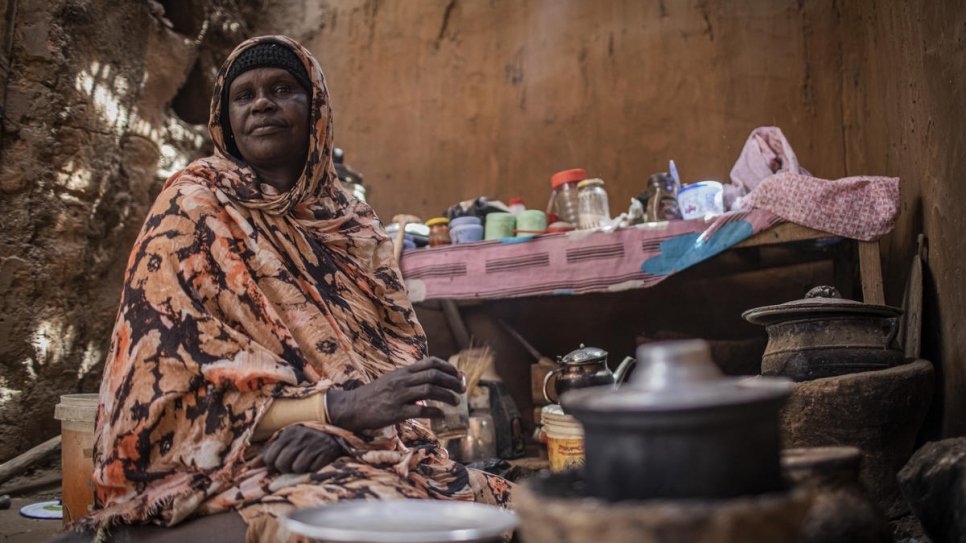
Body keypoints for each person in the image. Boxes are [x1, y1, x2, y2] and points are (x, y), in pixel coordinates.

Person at [58, 35, 510, 543]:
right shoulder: (191, 209)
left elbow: (387, 374)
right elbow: (159, 396)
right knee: (361, 514)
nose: (262, 104)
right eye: (243, 96)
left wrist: (337, 430)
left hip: (347, 444)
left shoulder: (354, 224)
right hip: (222, 453)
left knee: (493, 502)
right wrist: (332, 410)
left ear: (314, 106)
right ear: (225, 117)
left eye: (281, 88)